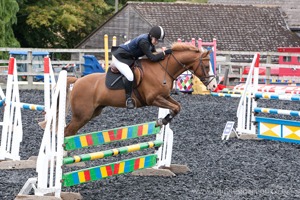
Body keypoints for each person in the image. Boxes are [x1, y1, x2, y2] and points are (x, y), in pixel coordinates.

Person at [111, 26, 172, 109]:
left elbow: (154, 54)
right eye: (156, 39)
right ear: (151, 36)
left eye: (158, 40)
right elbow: (152, 58)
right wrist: (164, 53)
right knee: (129, 76)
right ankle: (128, 99)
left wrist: (164, 54)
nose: (157, 42)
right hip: (121, 58)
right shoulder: (144, 42)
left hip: (130, 59)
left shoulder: (150, 42)